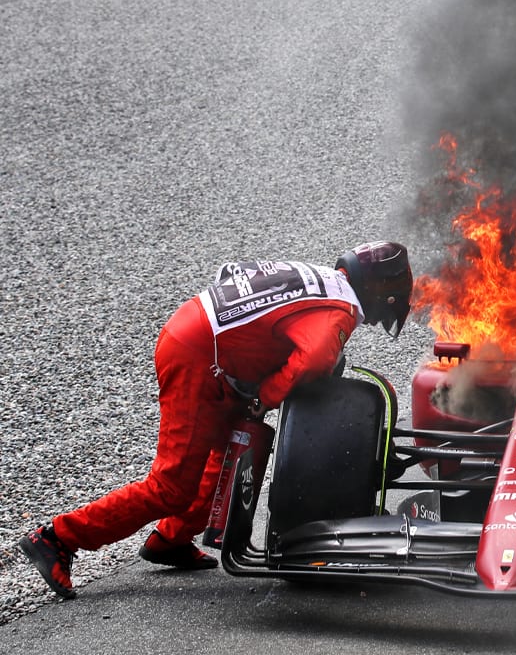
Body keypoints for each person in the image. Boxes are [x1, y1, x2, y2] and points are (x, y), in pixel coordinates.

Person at [17, 241, 414, 599]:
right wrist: (263, 397)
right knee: (170, 486)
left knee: (230, 444)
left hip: (199, 338)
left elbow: (233, 272)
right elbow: (312, 360)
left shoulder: (323, 278)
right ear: (380, 291)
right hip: (197, 357)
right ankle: (58, 538)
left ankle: (171, 539)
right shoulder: (339, 311)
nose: (381, 318)